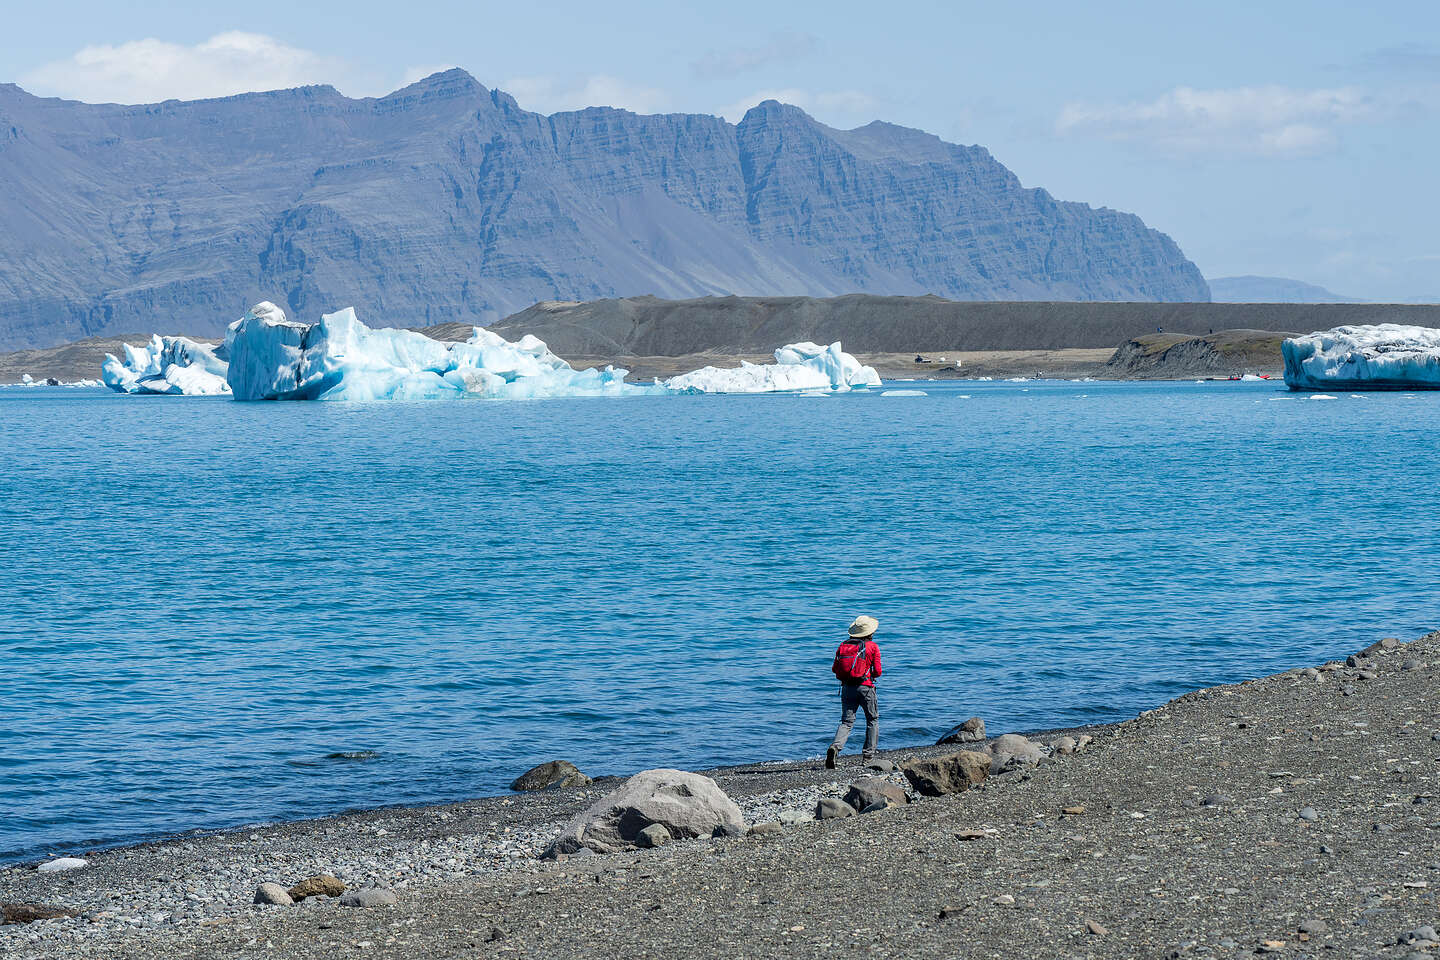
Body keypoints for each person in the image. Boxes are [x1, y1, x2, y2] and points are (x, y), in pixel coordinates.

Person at [825, 615, 882, 768]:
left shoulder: (843, 645)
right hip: (866, 687)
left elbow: (834, 669)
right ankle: (868, 758)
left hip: (847, 688)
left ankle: (835, 747)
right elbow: (878, 672)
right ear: (870, 632)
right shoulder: (873, 647)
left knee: (846, 722)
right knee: (872, 720)